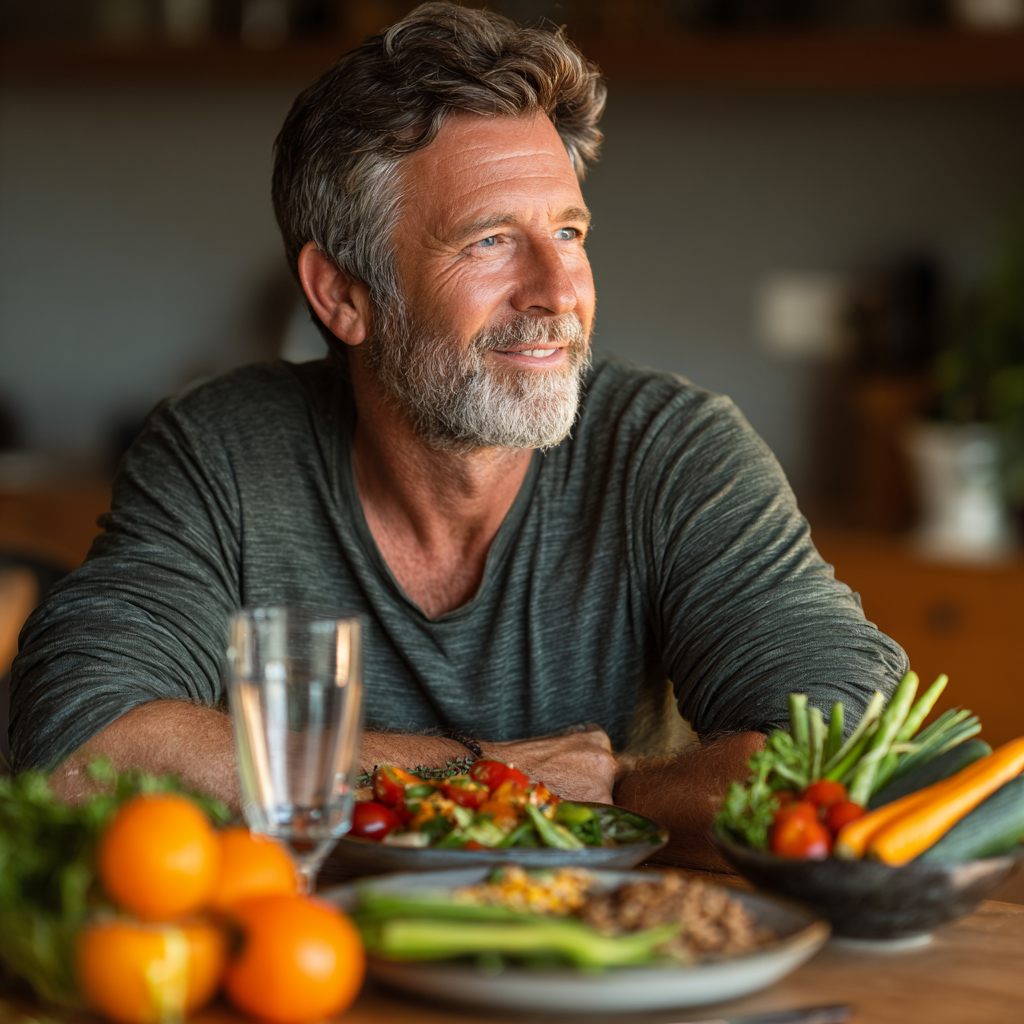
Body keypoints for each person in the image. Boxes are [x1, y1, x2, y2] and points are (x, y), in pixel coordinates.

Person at [9, 3, 906, 868]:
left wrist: (623, 791)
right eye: (488, 241)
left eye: (568, 230)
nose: (560, 290)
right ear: (342, 296)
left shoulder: (672, 451)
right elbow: (80, 748)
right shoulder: (222, 450)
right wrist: (485, 779)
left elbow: (851, 755)